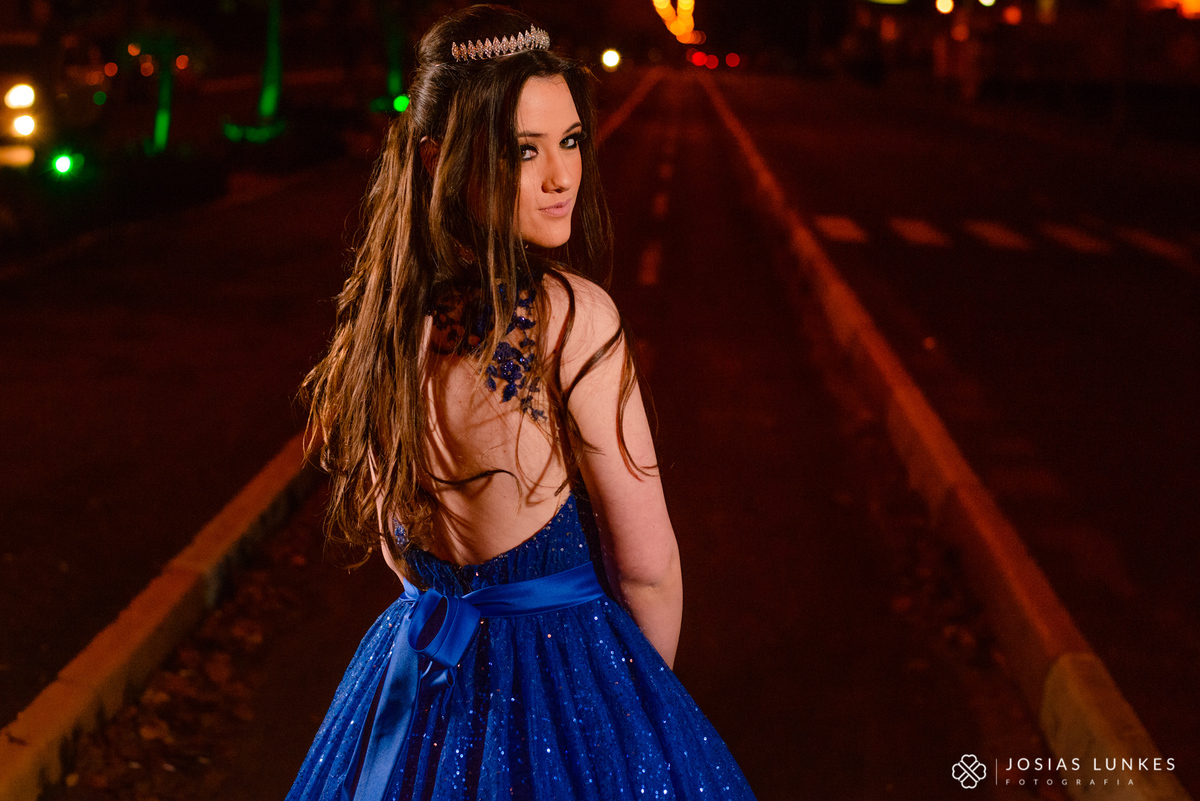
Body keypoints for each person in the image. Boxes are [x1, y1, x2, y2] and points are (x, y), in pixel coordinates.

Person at [287, 6, 756, 799]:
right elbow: (647, 571)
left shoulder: (384, 321)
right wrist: (628, 726)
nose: (560, 176)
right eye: (521, 151)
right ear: (440, 160)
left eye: (569, 141)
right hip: (562, 687)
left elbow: (402, 556)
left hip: (412, 684)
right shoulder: (572, 320)